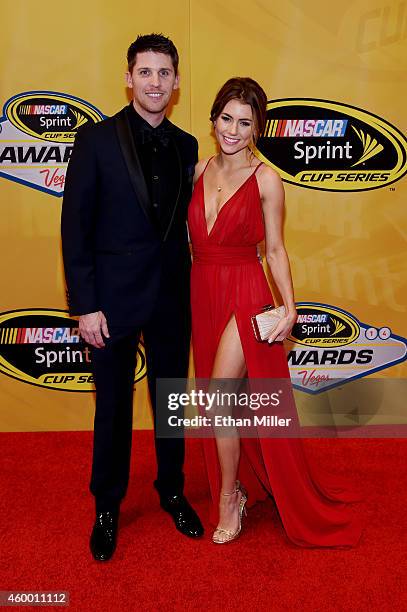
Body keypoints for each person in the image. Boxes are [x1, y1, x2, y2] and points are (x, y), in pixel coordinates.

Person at [188, 77, 362, 546]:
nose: (233, 130)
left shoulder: (267, 179)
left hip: (244, 292)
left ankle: (229, 498)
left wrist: (290, 306)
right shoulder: (199, 169)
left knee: (220, 399)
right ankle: (238, 483)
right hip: (202, 288)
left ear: (257, 129)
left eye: (245, 123)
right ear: (213, 118)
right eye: (226, 118)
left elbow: (277, 250)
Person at [61, 33, 203, 562]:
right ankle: (107, 505)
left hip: (171, 294)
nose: (155, 82)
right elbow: (75, 227)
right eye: (145, 72)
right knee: (113, 408)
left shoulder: (189, 145)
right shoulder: (94, 141)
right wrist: (84, 304)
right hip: (110, 301)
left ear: (177, 82)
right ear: (129, 77)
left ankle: (172, 490)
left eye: (165, 73)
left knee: (170, 402)